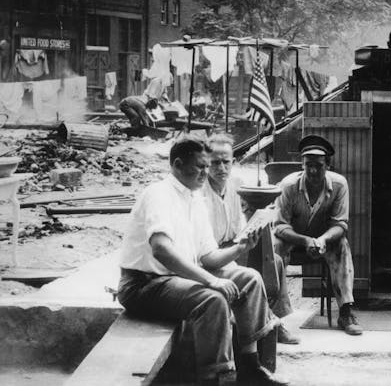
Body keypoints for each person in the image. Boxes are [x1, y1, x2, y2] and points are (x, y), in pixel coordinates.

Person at [117, 136, 289, 386]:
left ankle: (251, 366)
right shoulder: (158, 194)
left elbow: (208, 256)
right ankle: (217, 378)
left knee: (249, 279)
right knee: (212, 299)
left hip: (176, 280)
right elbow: (162, 251)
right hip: (144, 285)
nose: (206, 172)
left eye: (207, 166)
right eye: (200, 166)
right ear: (177, 164)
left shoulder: (193, 197)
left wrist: (242, 246)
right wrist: (211, 281)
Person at [201, 133, 300, 345]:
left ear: (233, 162)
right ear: (206, 163)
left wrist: (255, 226)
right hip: (211, 252)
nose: (221, 168)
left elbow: (240, 223)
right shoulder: (200, 190)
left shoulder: (236, 184)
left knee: (274, 259)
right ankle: (264, 323)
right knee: (259, 267)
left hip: (234, 243)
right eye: (215, 162)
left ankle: (276, 320)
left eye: (226, 162)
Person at [272, 135, 362, 336]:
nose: (312, 171)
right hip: (293, 241)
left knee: (342, 244)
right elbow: (279, 226)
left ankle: (346, 312)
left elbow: (340, 224)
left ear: (328, 165)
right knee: (275, 247)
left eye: (318, 166)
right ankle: (276, 319)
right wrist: (305, 241)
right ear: (302, 165)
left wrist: (321, 240)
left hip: (323, 241)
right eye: (308, 165)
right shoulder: (288, 186)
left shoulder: (339, 185)